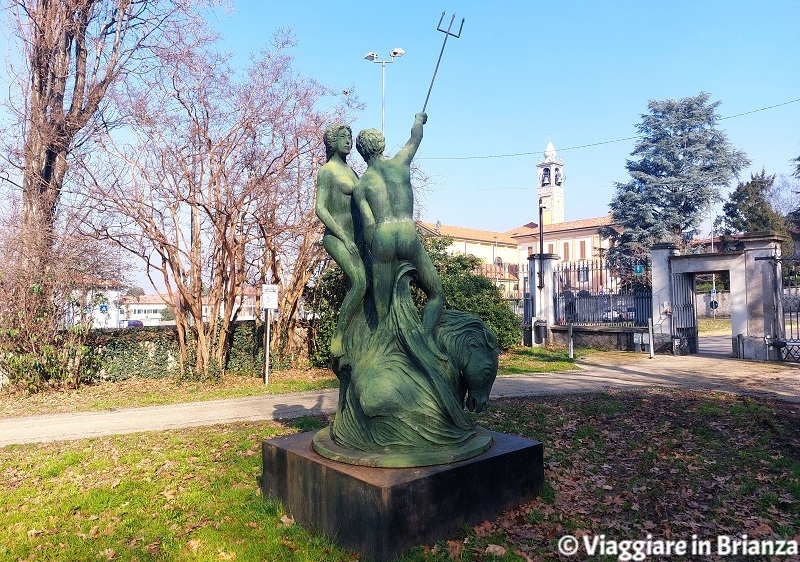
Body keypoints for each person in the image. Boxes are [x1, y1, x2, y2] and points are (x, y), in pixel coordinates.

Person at [354, 112, 444, 334]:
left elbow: (369, 226)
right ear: (381, 146)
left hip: (382, 239)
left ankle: (386, 351)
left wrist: (370, 253)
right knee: (435, 294)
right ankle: (423, 341)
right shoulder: (400, 162)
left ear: (362, 152)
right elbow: (415, 138)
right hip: (407, 234)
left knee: (382, 312)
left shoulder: (361, 187)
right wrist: (418, 119)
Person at [315, 124, 366, 356]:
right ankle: (339, 336)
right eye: (343, 137)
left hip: (357, 239)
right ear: (332, 142)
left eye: (350, 137)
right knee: (359, 282)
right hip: (337, 238)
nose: (348, 141)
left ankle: (360, 333)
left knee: (369, 285)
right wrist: (344, 238)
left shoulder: (353, 172)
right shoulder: (327, 171)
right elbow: (320, 209)